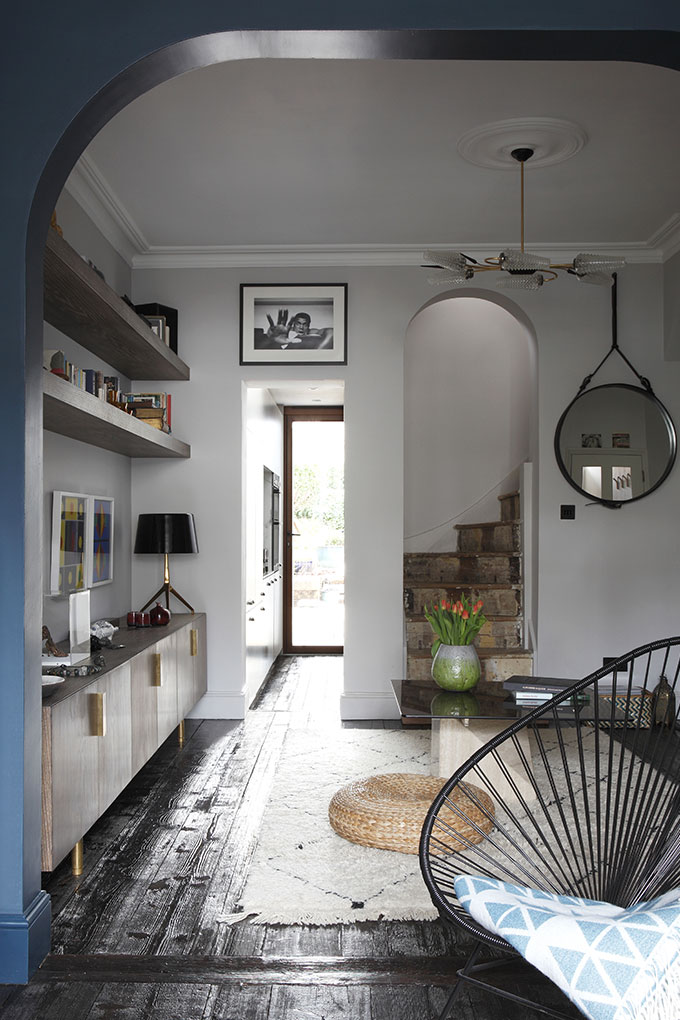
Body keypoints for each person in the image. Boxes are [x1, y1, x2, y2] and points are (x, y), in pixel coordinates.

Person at [254, 309, 333, 350]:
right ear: (293, 324)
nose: (301, 327)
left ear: (308, 325)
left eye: (305, 324)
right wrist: (270, 338)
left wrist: (320, 348)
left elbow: (331, 331)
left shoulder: (312, 332)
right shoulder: (286, 331)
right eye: (298, 324)